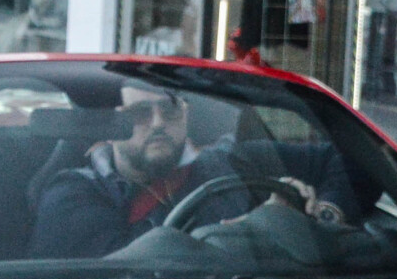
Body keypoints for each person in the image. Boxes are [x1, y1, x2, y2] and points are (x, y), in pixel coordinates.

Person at [29, 85, 257, 258]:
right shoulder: (69, 196)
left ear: (186, 117)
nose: (158, 122)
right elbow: (125, 275)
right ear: (110, 126)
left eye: (170, 110)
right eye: (139, 113)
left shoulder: (228, 166)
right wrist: (240, 235)